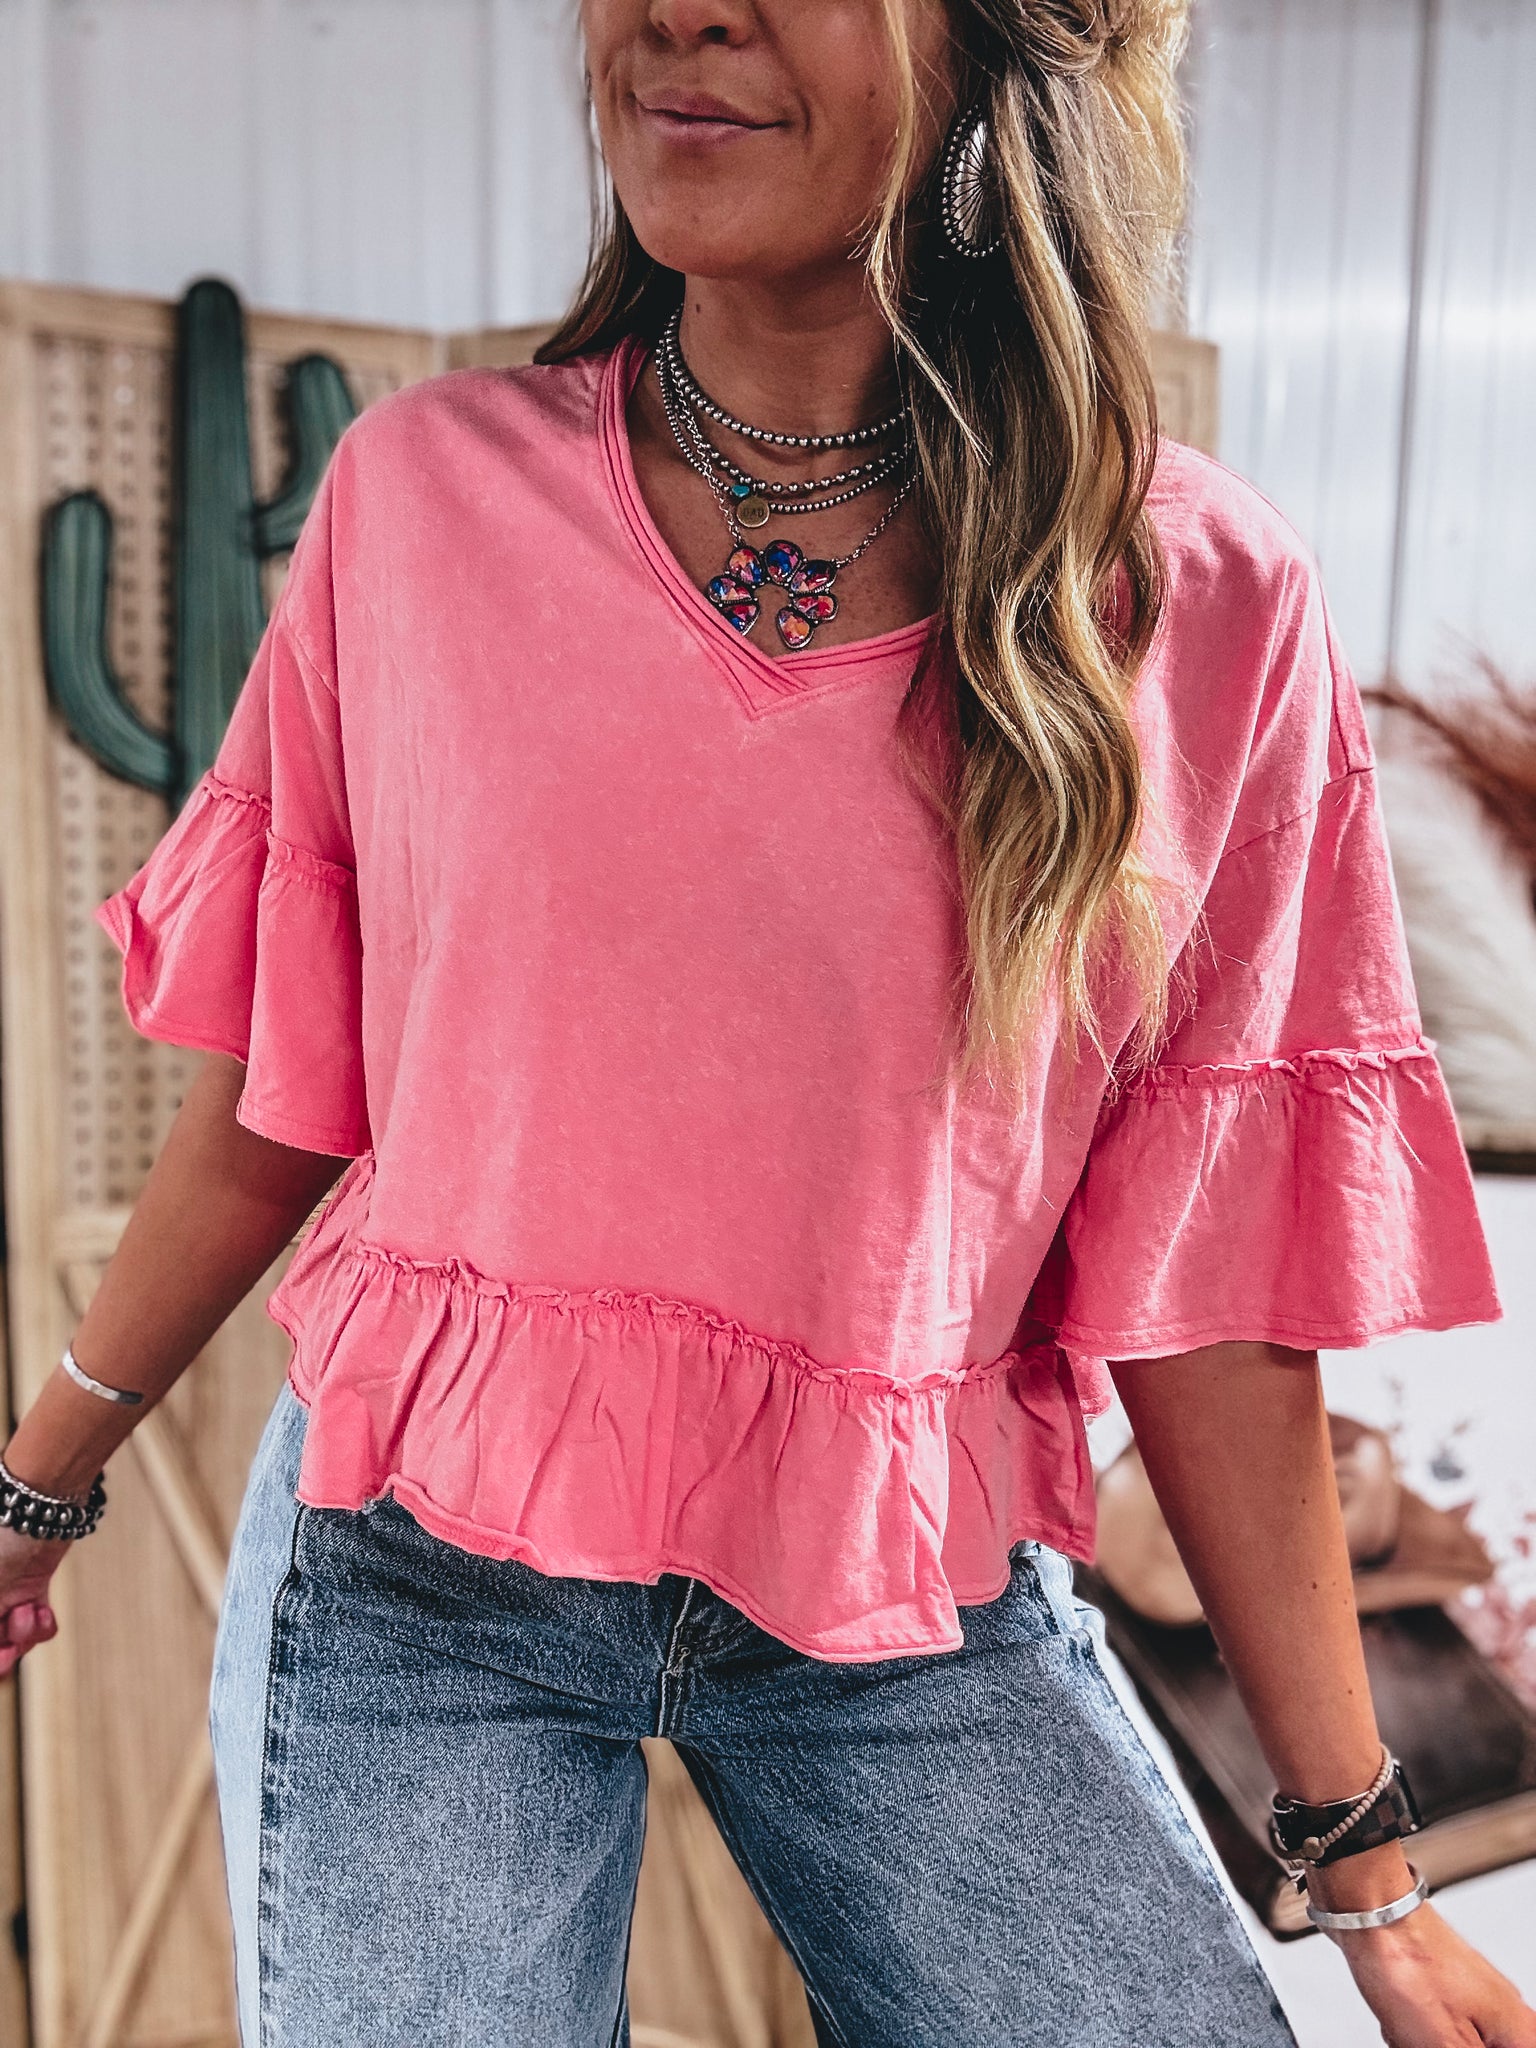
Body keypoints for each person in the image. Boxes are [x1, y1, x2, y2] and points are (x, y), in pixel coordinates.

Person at [2, 2, 1532, 2043]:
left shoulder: (1195, 600)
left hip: (905, 1598)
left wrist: (1366, 1875)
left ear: (994, 41)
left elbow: (1213, 1287)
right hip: (419, 1576)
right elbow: (291, 1091)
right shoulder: (423, 498)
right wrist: (38, 1487)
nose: (680, 12)